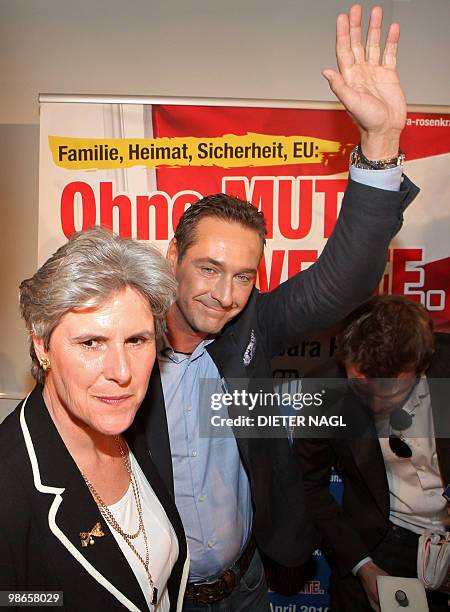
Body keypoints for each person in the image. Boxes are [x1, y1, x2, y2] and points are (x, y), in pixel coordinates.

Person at [134, 5, 420, 610]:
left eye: (244, 276)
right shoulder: (122, 346)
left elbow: (342, 282)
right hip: (152, 597)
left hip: (248, 587)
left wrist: (380, 141)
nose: (225, 293)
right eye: (208, 268)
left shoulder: (252, 325)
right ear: (172, 257)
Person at [0, 227, 189, 611]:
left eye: (136, 341)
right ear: (42, 345)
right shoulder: (8, 484)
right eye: (91, 343)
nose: (122, 372)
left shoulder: (130, 425)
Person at [294, 296, 450, 612]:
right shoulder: (324, 391)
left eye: (388, 389)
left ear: (419, 365)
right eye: (360, 385)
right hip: (378, 543)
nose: (371, 402)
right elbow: (309, 487)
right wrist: (361, 565)